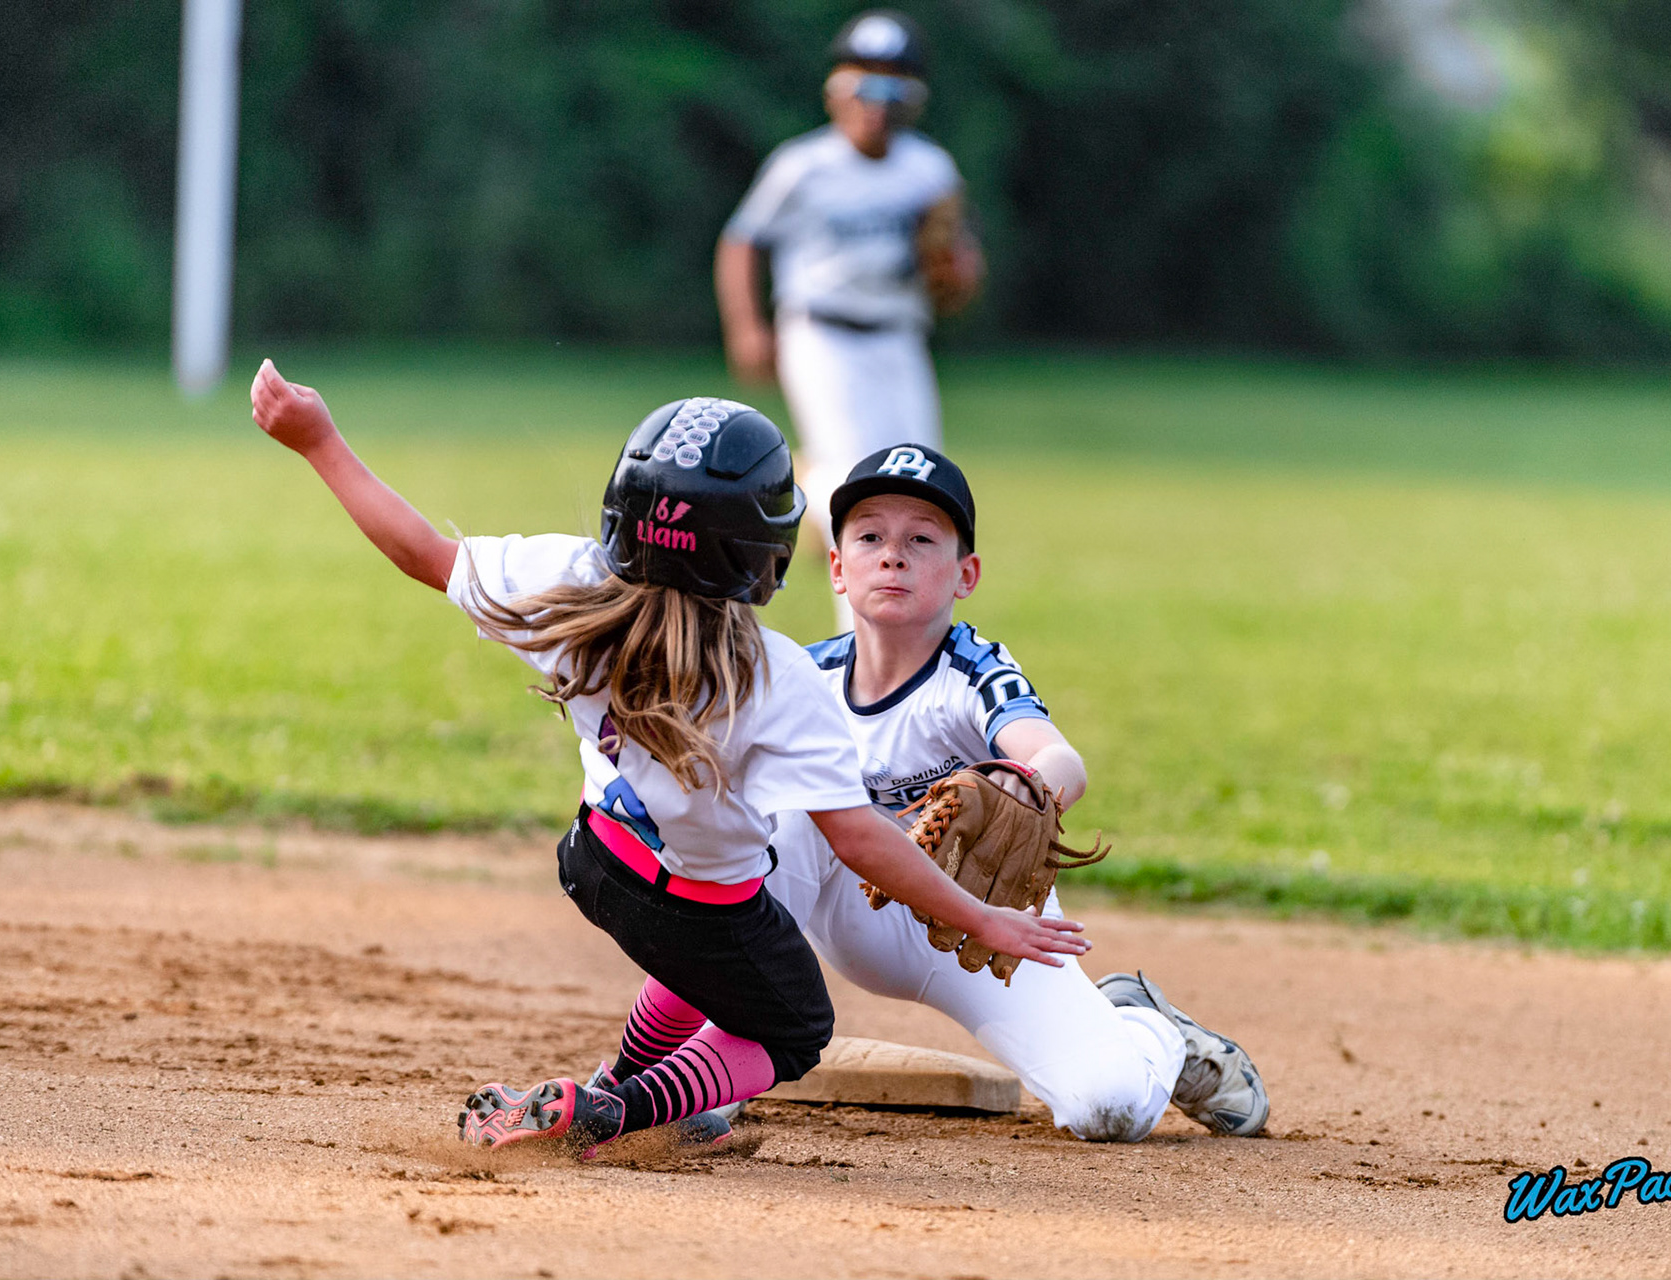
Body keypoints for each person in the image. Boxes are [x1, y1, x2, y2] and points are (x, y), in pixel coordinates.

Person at [246, 362, 1086, 1157]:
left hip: (594, 865)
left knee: (719, 957)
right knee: (792, 1026)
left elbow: (422, 551)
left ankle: (616, 1076)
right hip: (703, 910)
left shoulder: (569, 584)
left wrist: (318, 440)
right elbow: (859, 841)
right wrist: (983, 919)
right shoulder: (777, 677)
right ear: (767, 548)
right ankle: (619, 1111)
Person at [762, 444, 1271, 1142]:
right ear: (838, 568)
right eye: (870, 536)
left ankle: (1147, 1032)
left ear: (965, 574)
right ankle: (713, 1059)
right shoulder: (802, 678)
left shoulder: (971, 671)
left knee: (1109, 1108)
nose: (892, 555)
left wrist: (1023, 781)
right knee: (784, 808)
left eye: (921, 539)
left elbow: (1060, 758)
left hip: (982, 927)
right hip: (848, 913)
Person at [715, 9, 982, 630]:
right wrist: (746, 325)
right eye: (860, 84)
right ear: (834, 91)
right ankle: (858, 638)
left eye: (894, 87)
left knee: (921, 482)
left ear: (917, 99)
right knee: (851, 483)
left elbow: (960, 275)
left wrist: (958, 272)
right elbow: (741, 240)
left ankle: (800, 497)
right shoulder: (803, 165)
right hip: (820, 333)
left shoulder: (930, 170)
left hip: (898, 336)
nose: (875, 103)